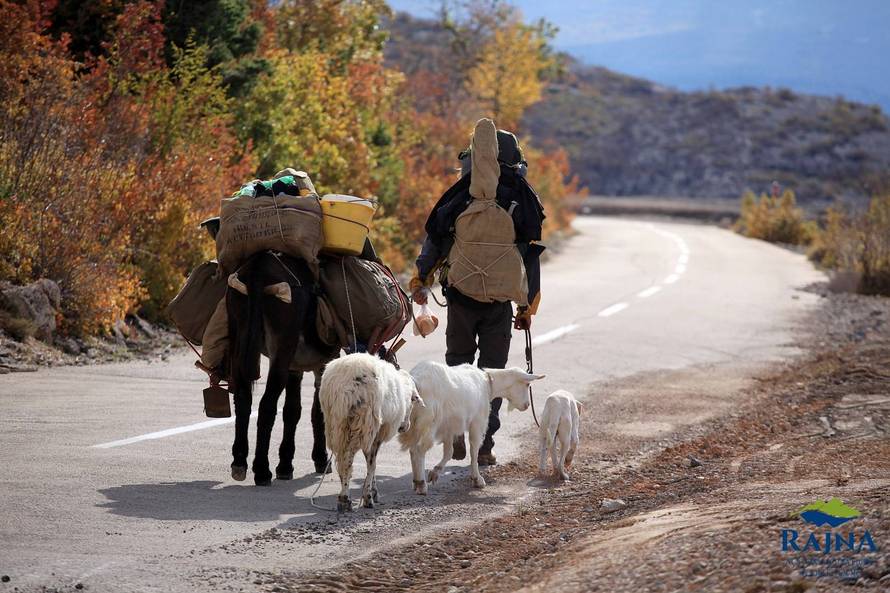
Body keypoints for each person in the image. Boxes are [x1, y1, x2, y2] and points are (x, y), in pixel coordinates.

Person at [410, 118, 545, 466]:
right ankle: (483, 444)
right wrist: (526, 307)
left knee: (457, 366)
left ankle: (455, 434)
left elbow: (436, 239)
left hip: (461, 295)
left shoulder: (459, 197)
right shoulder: (520, 200)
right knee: (492, 373)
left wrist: (421, 279)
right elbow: (529, 254)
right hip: (499, 302)